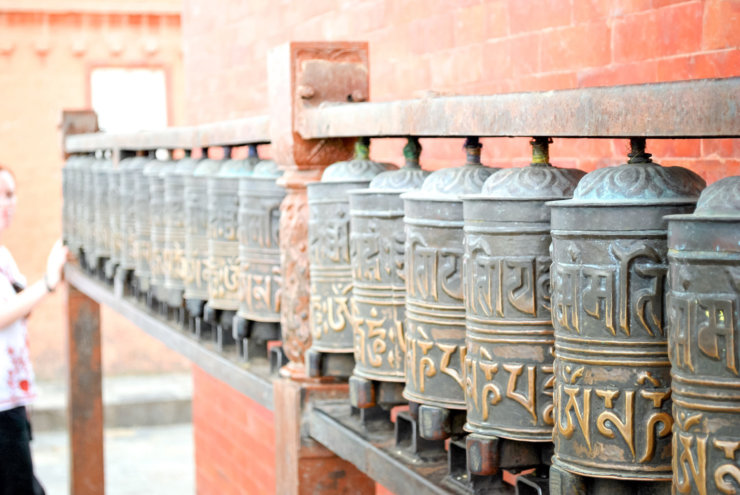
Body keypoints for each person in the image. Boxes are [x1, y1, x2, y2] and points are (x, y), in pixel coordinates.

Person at [0, 164, 67, 495]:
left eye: (10, 194)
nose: (6, 204)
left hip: (11, 397)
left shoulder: (4, 257)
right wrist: (48, 283)